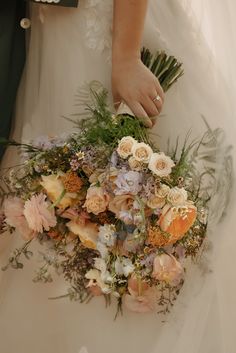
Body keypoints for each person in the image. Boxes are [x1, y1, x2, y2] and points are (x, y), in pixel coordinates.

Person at [0, 1, 235, 353]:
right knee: (59, 215)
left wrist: (125, 56)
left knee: (139, 214)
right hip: (47, 37)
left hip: (110, 34)